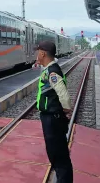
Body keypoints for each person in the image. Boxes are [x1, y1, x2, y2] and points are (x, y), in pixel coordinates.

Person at [35, 41, 73, 182]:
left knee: (59, 157)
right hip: (51, 118)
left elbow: (64, 95)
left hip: (53, 119)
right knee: (55, 155)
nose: (36, 54)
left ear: (43, 53)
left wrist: (64, 111)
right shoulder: (49, 69)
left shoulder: (52, 72)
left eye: (37, 51)